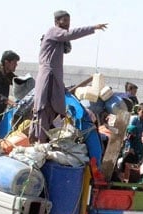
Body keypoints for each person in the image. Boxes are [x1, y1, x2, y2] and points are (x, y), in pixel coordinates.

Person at [30, 11, 107, 143]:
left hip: (56, 79)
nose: (67, 24)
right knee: (44, 109)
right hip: (48, 78)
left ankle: (48, 142)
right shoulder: (53, 31)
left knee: (57, 110)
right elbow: (70, 34)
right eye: (64, 21)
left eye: (68, 21)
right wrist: (93, 27)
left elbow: (67, 44)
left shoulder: (59, 40)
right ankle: (40, 143)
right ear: (56, 22)